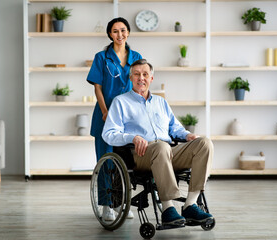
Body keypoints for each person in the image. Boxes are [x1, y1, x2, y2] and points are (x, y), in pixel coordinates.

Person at [102, 59, 214, 227]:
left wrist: (188, 135)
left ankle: (190, 204)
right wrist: (132, 137)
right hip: (141, 153)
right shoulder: (121, 102)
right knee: (161, 147)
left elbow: (175, 127)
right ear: (130, 78)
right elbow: (109, 134)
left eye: (145, 74)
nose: (141, 78)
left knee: (204, 143)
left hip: (168, 151)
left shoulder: (161, 102)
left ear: (151, 79)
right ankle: (168, 208)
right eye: (137, 74)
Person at [87, 17, 142, 221]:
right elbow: (98, 87)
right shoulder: (101, 57)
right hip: (105, 116)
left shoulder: (136, 56)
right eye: (115, 31)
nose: (120, 35)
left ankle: (122, 204)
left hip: (128, 118)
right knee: (106, 161)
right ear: (110, 34)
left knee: (125, 162)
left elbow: (140, 83)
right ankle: (106, 205)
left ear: (128, 32)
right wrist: (105, 111)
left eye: (123, 30)